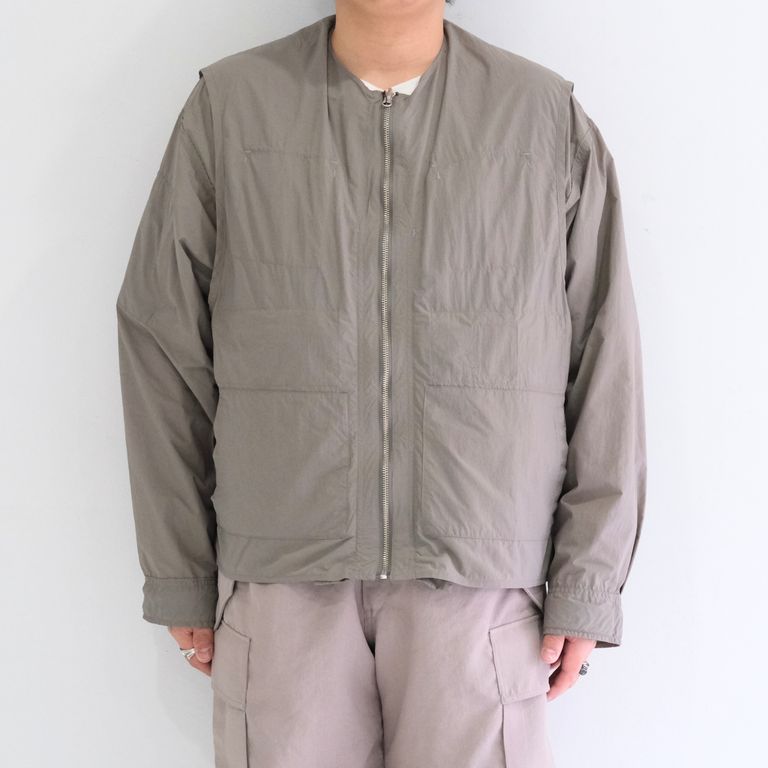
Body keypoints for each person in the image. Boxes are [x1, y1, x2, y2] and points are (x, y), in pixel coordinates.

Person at [115, 1, 647, 765]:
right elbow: (163, 346)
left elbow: (604, 356)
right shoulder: (232, 107)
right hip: (282, 581)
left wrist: (587, 582)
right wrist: (180, 571)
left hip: (483, 590)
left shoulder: (541, 117)